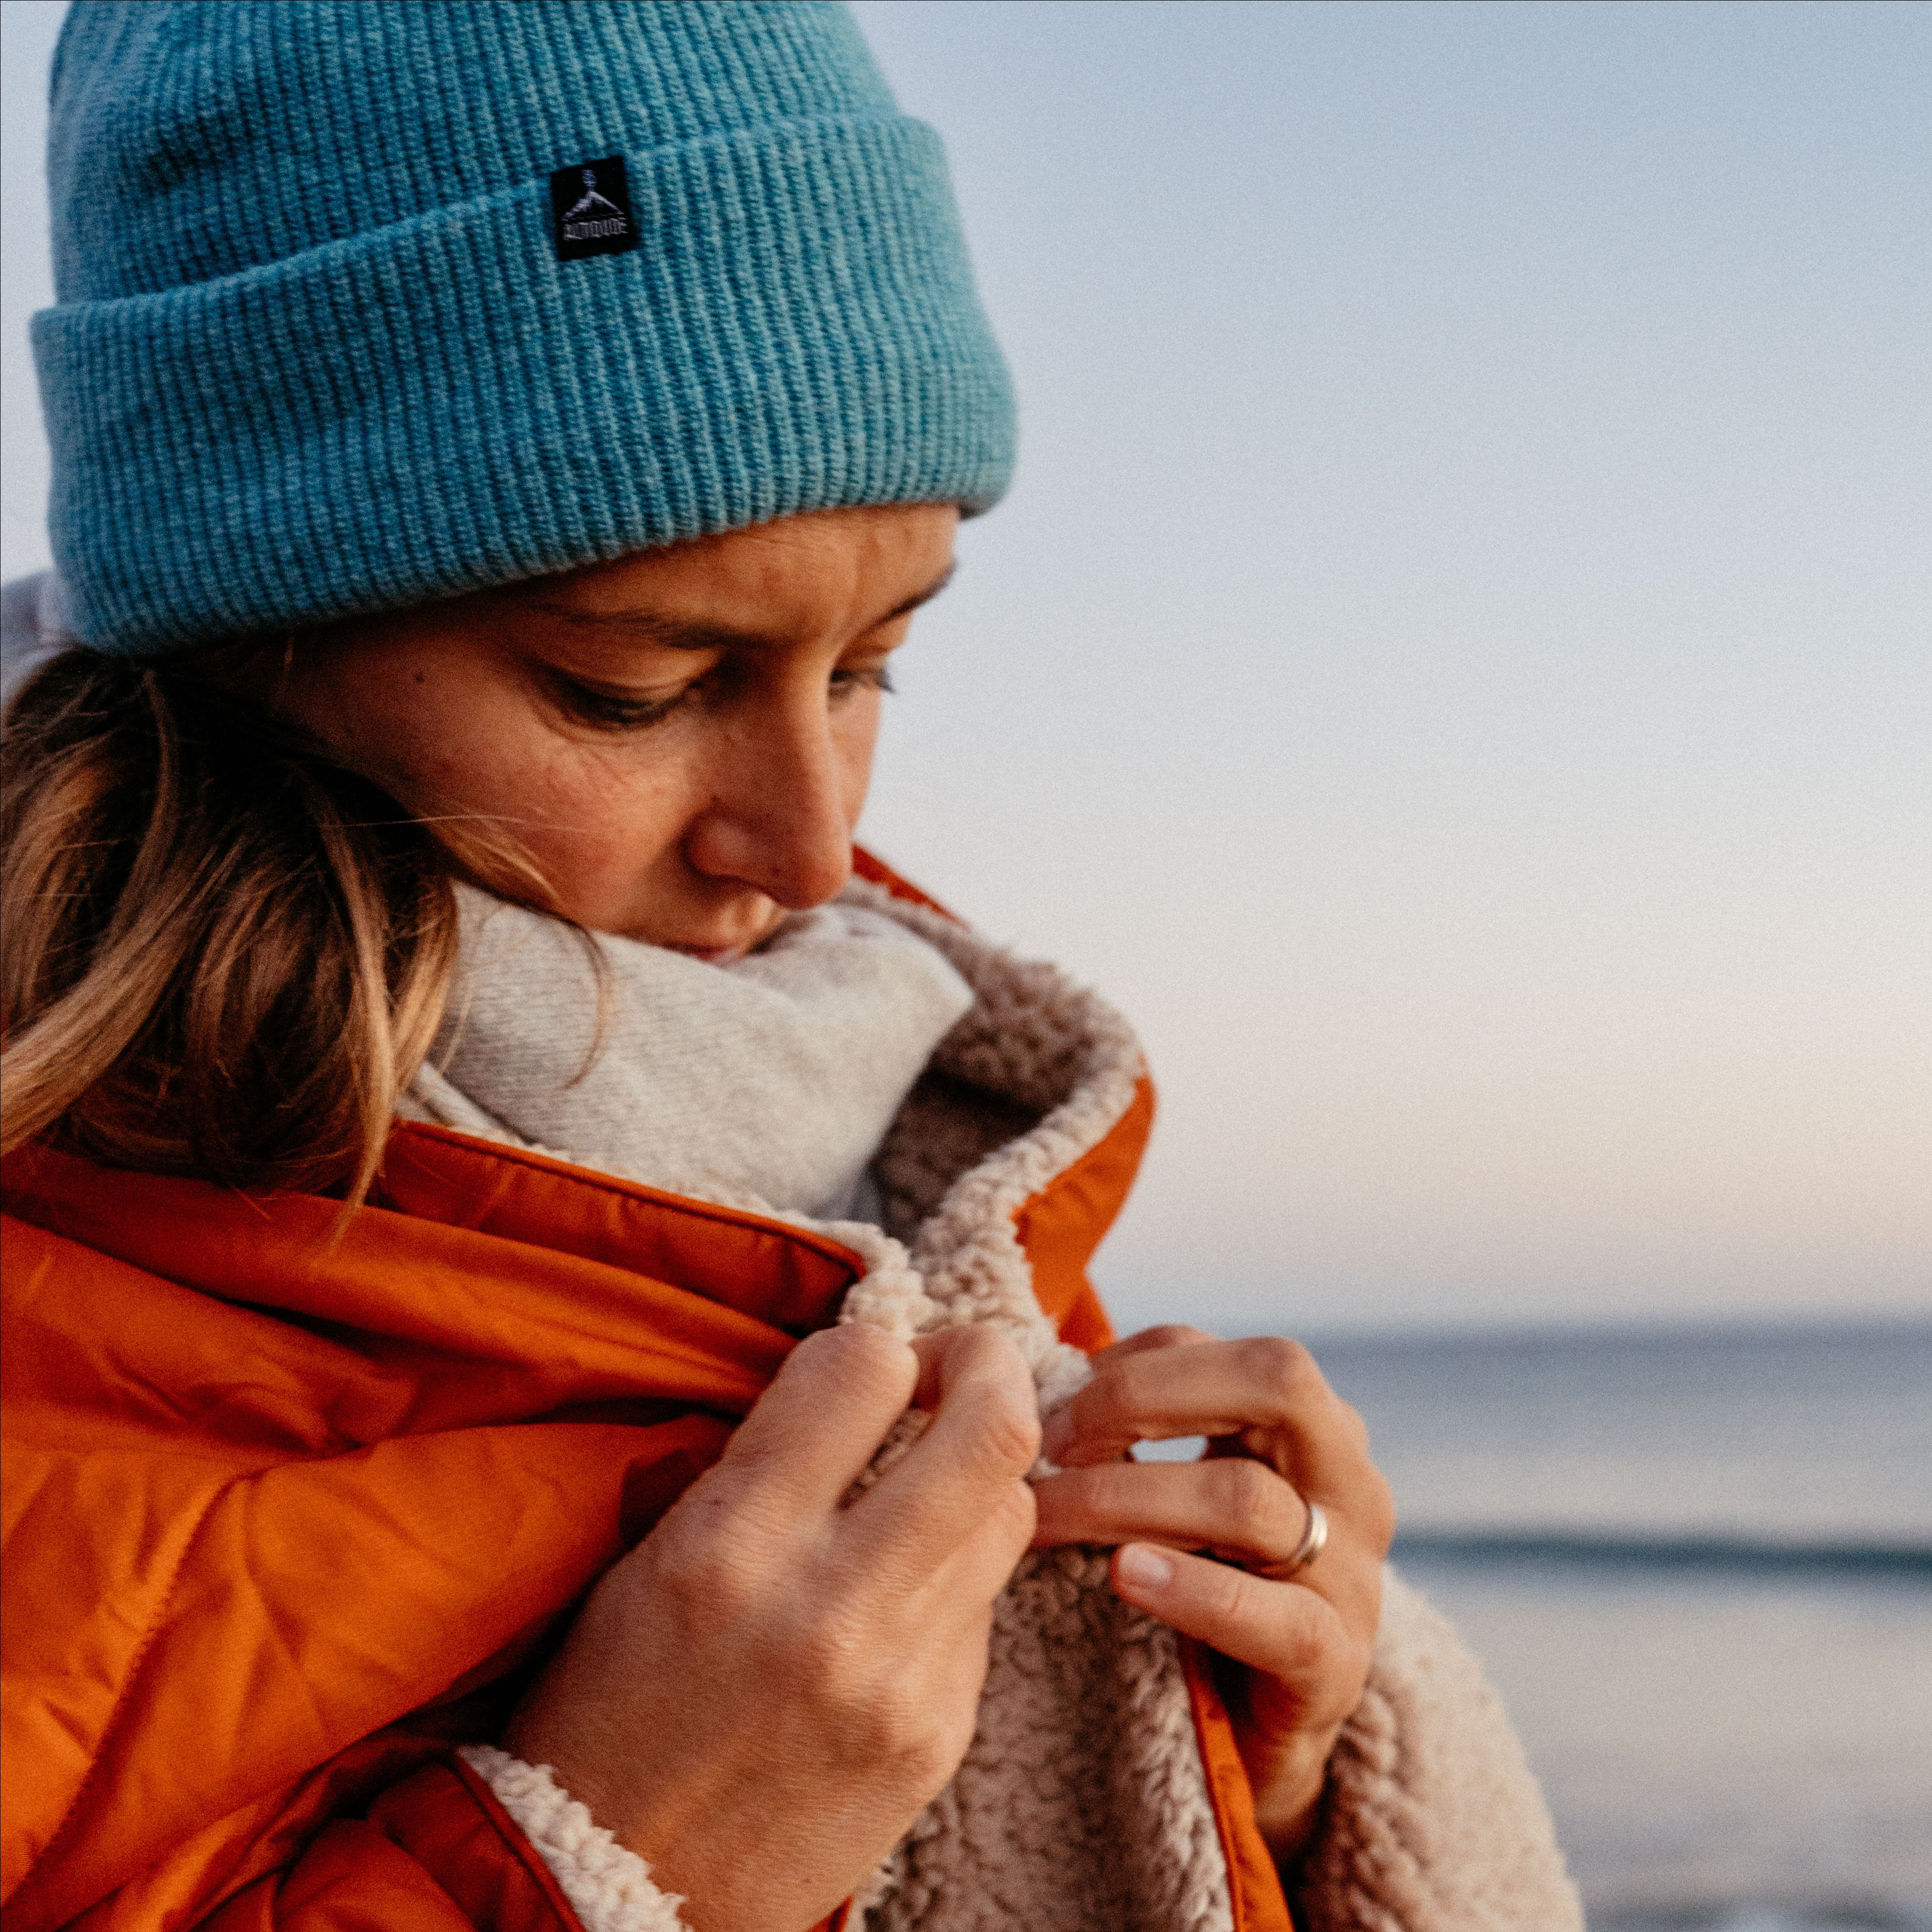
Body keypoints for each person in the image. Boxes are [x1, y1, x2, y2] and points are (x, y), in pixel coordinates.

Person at [0, 7, 1582, 1931]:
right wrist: (599, 1872)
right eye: (636, 687)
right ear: (247, 625)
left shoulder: (873, 1144)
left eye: (872, 666)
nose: (817, 850)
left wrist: (1263, 1781)